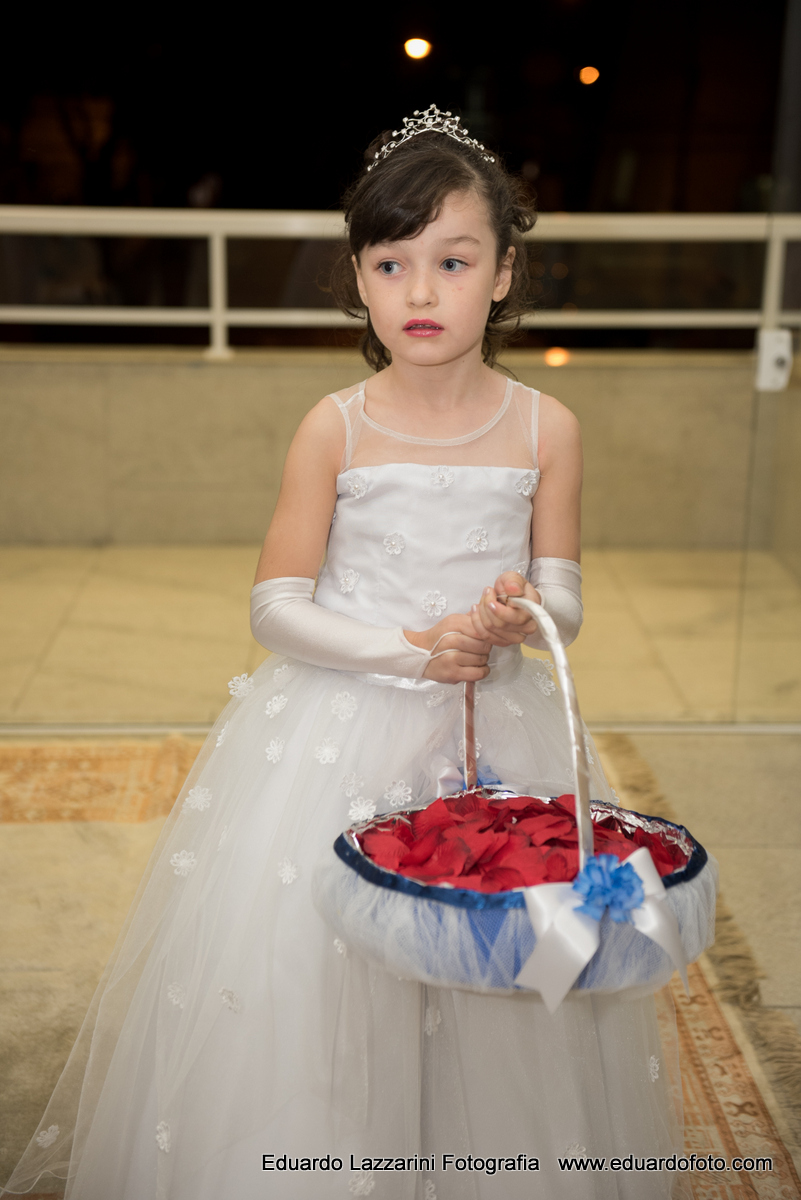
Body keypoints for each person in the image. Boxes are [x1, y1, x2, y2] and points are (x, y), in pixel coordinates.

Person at [2, 107, 684, 1200]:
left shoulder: (544, 427)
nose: (421, 291)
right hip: (341, 727)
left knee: (497, 968)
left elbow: (564, 595)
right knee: (318, 977)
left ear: (504, 273)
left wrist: (523, 617)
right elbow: (276, 605)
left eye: (453, 261)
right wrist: (408, 650)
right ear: (359, 279)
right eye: (391, 262)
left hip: (495, 731)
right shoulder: (337, 426)